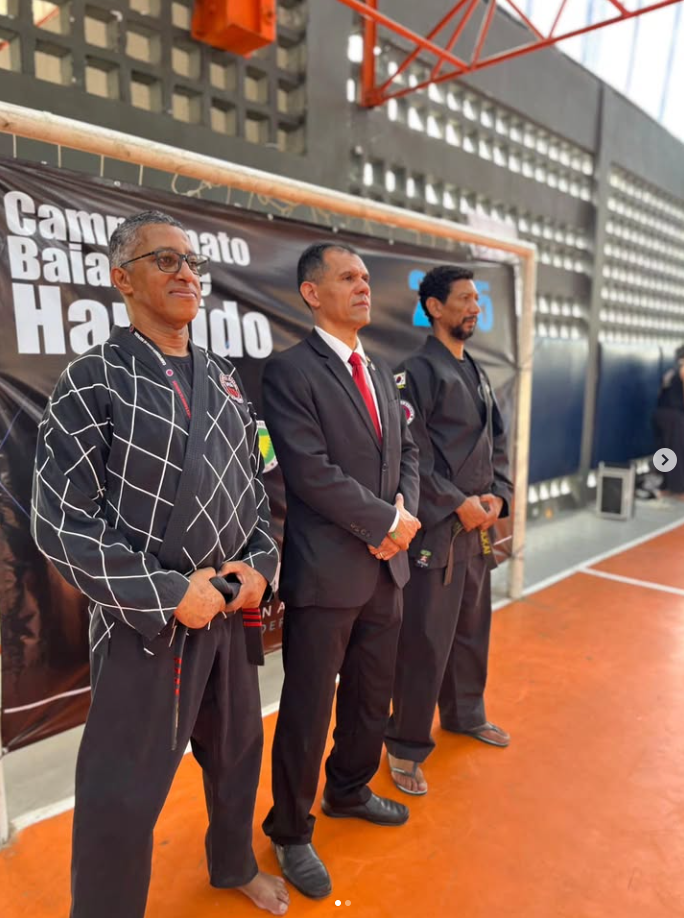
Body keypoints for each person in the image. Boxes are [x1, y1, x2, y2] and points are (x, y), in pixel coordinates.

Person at [31, 211, 288, 917]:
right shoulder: (92, 381)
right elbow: (60, 522)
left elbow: (257, 488)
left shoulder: (225, 378)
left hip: (229, 610)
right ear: (122, 278)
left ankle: (233, 864)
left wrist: (259, 566)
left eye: (192, 262)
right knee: (122, 789)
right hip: (149, 625)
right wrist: (169, 593)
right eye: (165, 260)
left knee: (238, 753)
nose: (186, 274)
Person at [260, 242, 421, 898]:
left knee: (370, 693)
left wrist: (402, 516)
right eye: (348, 277)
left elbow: (407, 451)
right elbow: (308, 471)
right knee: (308, 706)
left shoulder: (378, 369)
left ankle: (349, 789)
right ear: (312, 292)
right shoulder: (290, 371)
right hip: (327, 574)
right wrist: (384, 524)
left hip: (386, 569)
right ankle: (290, 829)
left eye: (366, 278)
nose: (363, 287)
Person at [384, 265, 514, 796]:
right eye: (464, 299)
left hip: (477, 530)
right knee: (425, 641)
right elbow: (411, 454)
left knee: (471, 630)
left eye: (476, 299)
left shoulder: (476, 370)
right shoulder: (414, 372)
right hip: (438, 533)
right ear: (435, 307)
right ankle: (405, 745)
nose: (475, 307)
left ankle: (464, 713)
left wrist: (498, 494)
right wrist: (455, 502)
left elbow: (497, 441)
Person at [653, 344, 684, 496]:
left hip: (663, 414)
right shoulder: (682, 370)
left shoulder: (673, 371)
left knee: (665, 451)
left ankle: (664, 484)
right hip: (672, 416)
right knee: (675, 450)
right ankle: (678, 489)